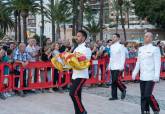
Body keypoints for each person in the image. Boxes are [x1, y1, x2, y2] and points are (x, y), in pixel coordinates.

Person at [132, 32, 161, 114]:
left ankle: (156, 108)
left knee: (148, 95)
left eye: (147, 37)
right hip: (143, 76)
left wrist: (156, 75)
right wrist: (134, 72)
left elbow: (157, 63)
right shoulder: (140, 49)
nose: (145, 38)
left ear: (151, 38)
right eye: (145, 36)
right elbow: (138, 62)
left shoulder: (155, 49)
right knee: (143, 96)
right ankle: (145, 111)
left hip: (151, 76)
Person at [69, 30, 92, 114]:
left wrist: (73, 59)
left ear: (83, 38)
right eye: (76, 36)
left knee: (72, 93)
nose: (76, 37)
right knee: (77, 95)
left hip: (81, 75)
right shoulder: (77, 48)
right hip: (75, 75)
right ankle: (78, 112)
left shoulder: (86, 49)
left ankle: (82, 111)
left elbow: (85, 62)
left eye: (78, 36)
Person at [107, 33, 127, 100]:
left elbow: (123, 57)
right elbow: (111, 57)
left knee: (116, 80)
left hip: (118, 66)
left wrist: (122, 66)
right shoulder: (111, 46)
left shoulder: (121, 46)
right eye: (112, 37)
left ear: (118, 38)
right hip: (113, 66)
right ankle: (114, 96)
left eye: (114, 37)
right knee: (113, 82)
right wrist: (109, 65)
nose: (113, 38)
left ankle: (123, 89)